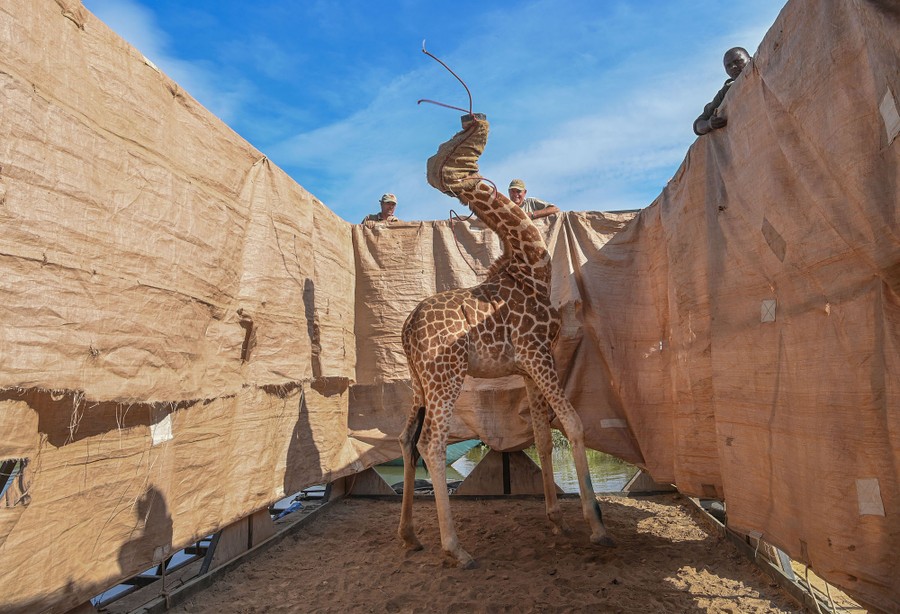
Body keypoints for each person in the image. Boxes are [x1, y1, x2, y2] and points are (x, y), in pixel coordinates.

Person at [693, 47, 751, 136]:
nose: (733, 67)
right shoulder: (727, 90)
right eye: (728, 66)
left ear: (750, 59)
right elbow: (698, 125)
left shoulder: (766, 66)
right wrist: (709, 124)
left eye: (737, 61)